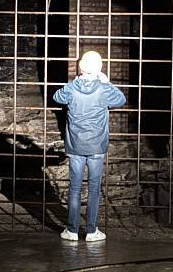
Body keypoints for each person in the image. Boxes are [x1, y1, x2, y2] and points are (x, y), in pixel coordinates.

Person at [53, 51, 126, 241]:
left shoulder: (72, 88)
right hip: (96, 146)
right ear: (99, 68)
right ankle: (92, 232)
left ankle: (72, 231)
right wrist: (106, 82)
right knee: (94, 190)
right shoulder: (103, 89)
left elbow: (57, 97)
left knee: (75, 189)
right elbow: (121, 100)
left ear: (80, 68)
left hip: (76, 146)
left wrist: (75, 81)